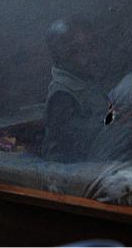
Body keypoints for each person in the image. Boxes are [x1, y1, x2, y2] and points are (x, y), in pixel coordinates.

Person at [40, 17, 110, 161]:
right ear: (60, 58)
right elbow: (72, 140)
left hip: (94, 152)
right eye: (76, 51)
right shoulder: (62, 95)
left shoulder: (86, 81)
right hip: (68, 165)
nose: (91, 56)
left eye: (92, 47)